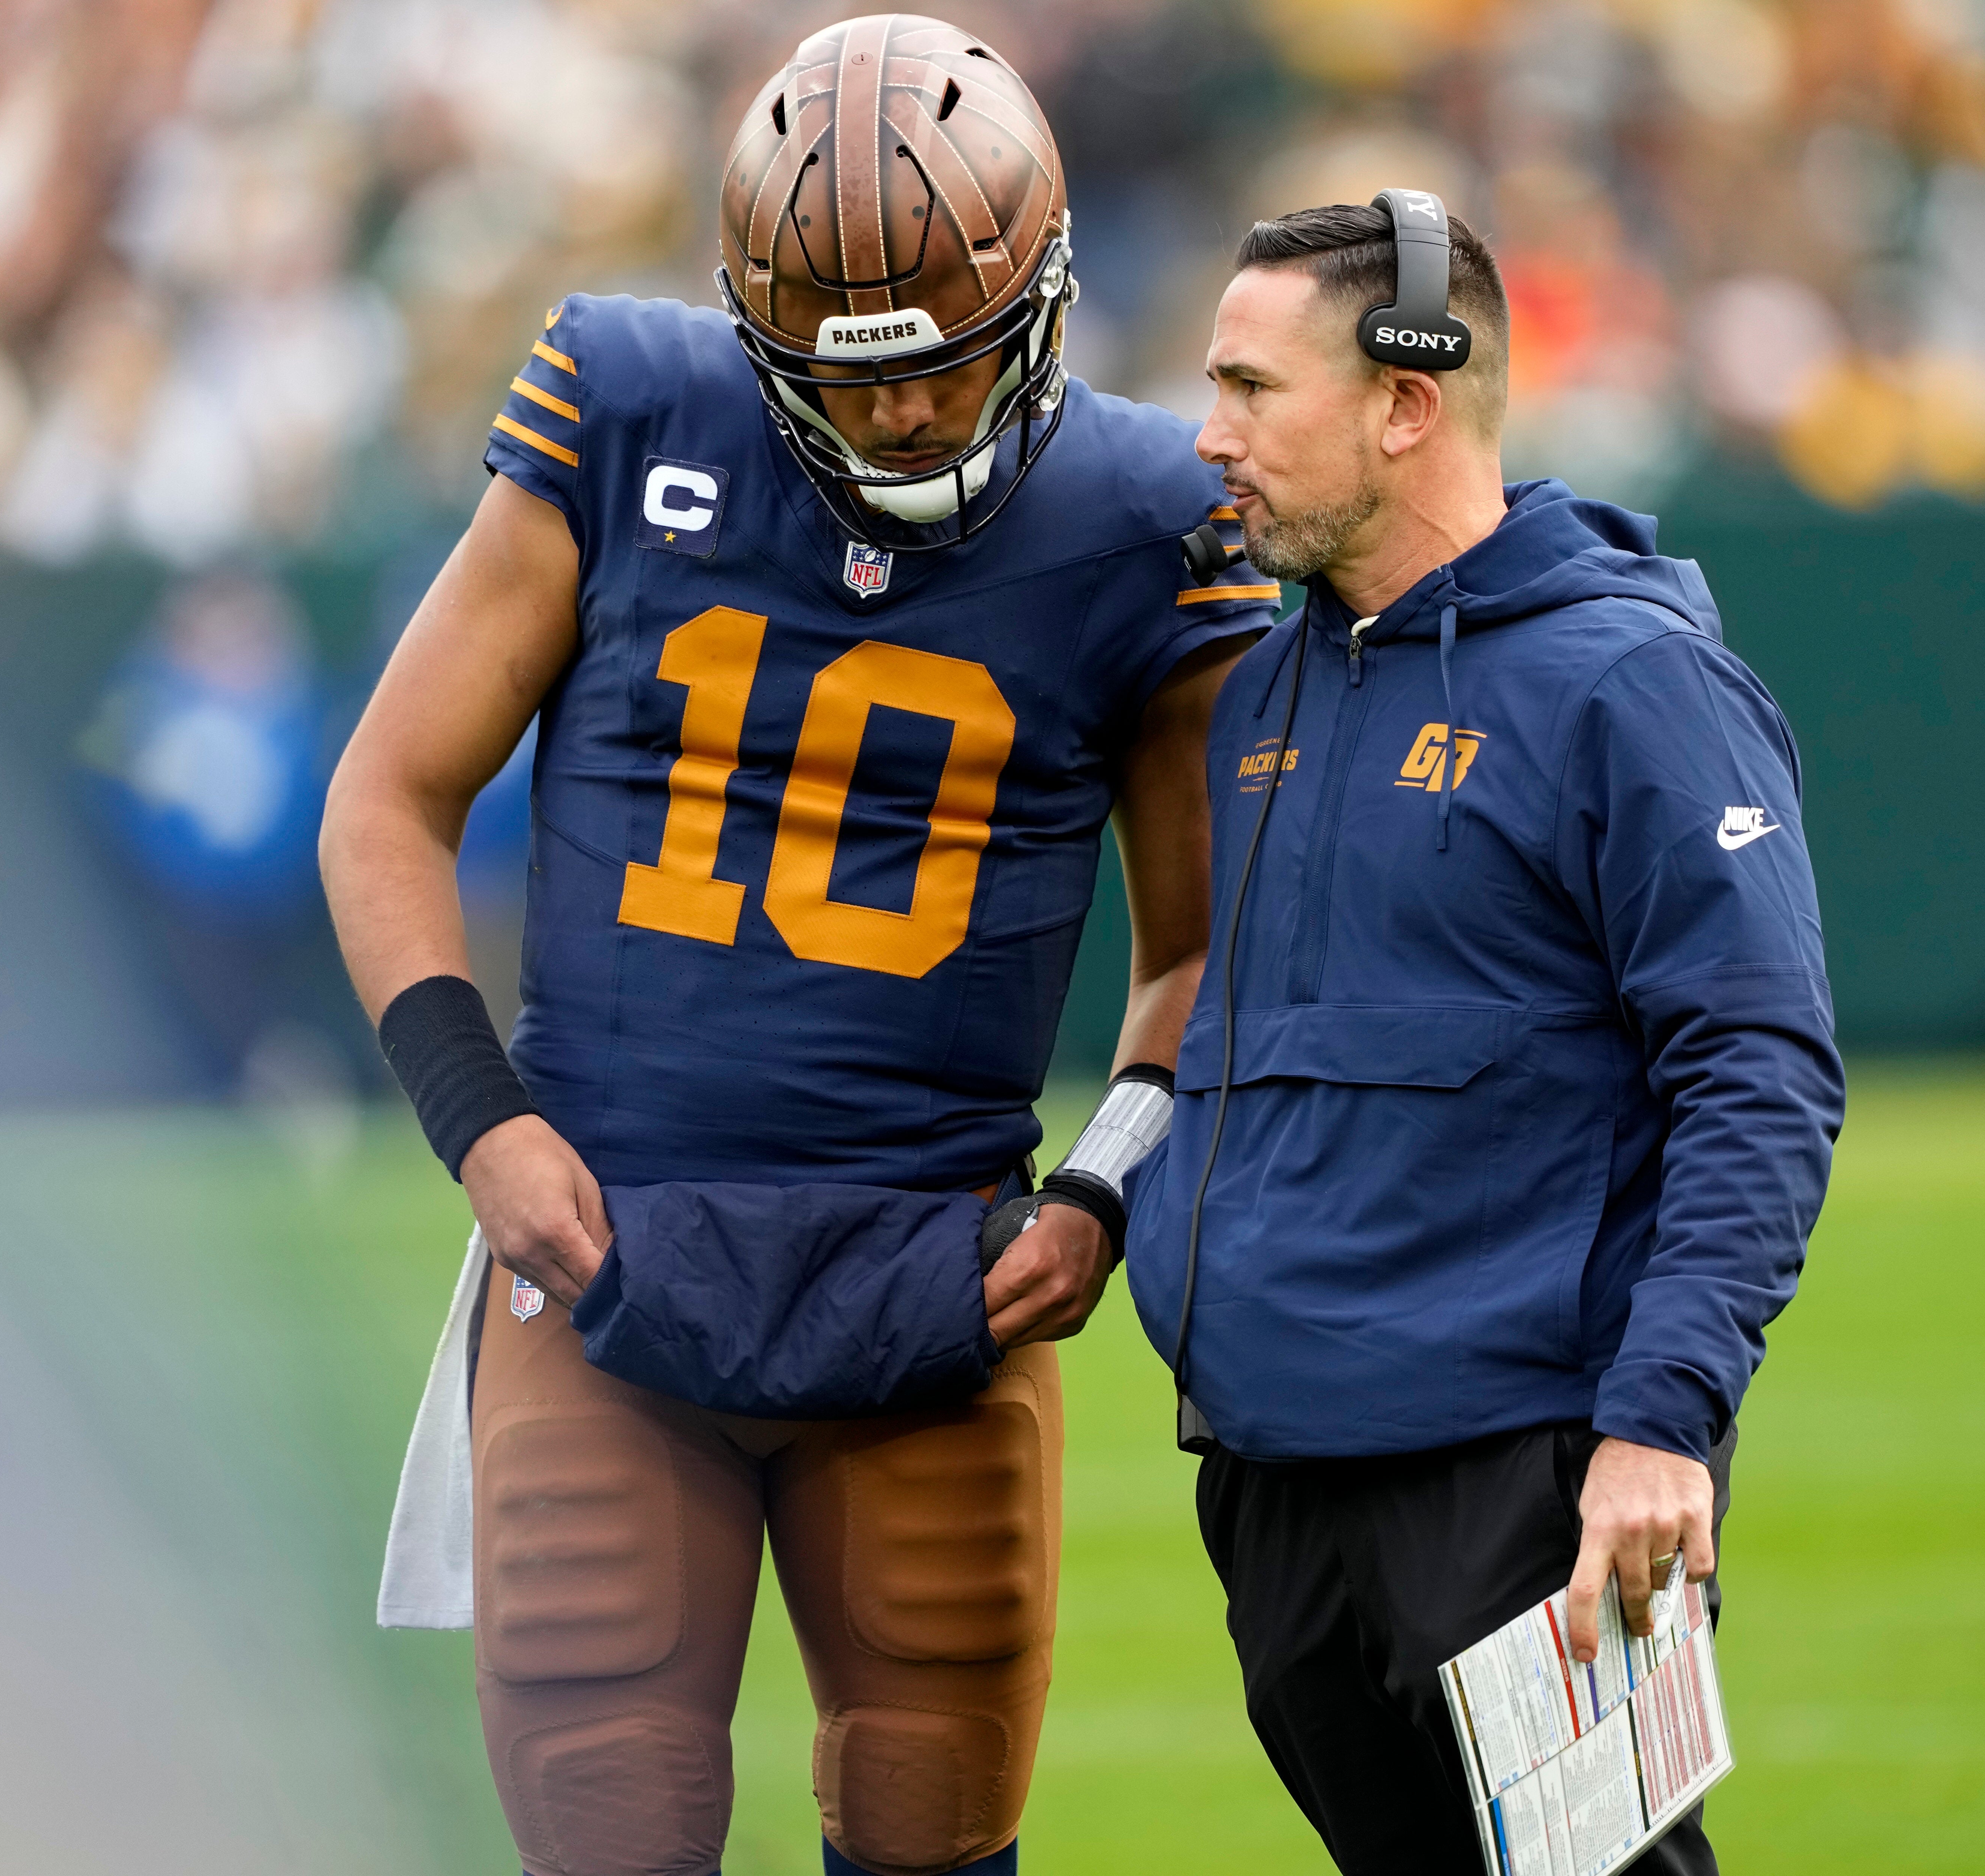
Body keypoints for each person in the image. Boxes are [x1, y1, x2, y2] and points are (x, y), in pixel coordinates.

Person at [317, 18, 1280, 1876]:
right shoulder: (623, 401)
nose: (905, 416)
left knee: (931, 1826)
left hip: (937, 1266)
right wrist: (481, 1123)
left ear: (1046, 298)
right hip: (606, 1247)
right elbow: (388, 799)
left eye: (947, 364)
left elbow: (1211, 954)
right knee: (616, 1818)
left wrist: (1104, 1189)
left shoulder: (1153, 513)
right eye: (850, 382)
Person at [1120, 200, 1845, 1873]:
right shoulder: (1261, 694)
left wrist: (1665, 1420)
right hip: (1281, 1486)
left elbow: (1762, 1072)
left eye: (1249, 389)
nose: (1207, 438)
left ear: (1407, 401)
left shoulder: (1636, 685)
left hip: (1536, 1488)